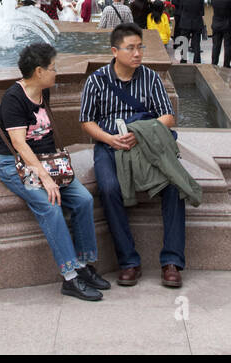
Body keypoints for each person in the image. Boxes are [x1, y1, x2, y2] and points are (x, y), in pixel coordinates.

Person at [0, 42, 109, 301]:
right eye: (53, 68)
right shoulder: (13, 99)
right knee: (51, 206)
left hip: (48, 161)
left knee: (83, 200)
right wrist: (46, 179)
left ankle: (82, 265)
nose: (56, 72)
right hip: (15, 166)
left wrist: (51, 171)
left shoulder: (43, 92)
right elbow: (19, 144)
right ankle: (69, 278)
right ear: (38, 71)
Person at [79, 23, 186, 288]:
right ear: (115, 51)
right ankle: (128, 261)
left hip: (146, 143)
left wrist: (140, 133)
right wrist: (109, 139)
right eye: (131, 48)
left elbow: (168, 116)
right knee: (108, 187)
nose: (137, 54)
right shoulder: (97, 80)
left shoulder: (150, 78)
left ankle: (171, 261)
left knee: (174, 185)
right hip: (109, 144)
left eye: (140, 47)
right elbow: (86, 121)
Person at [172, 0, 204, 64]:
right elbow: (202, 11)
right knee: (196, 43)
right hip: (197, 22)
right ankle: (197, 60)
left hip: (185, 22)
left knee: (184, 42)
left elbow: (181, 9)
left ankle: (183, 59)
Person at [209, 0, 231, 68]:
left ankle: (214, 62)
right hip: (228, 24)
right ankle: (226, 64)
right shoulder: (229, 0)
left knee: (216, 45)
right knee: (228, 45)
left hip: (217, 24)